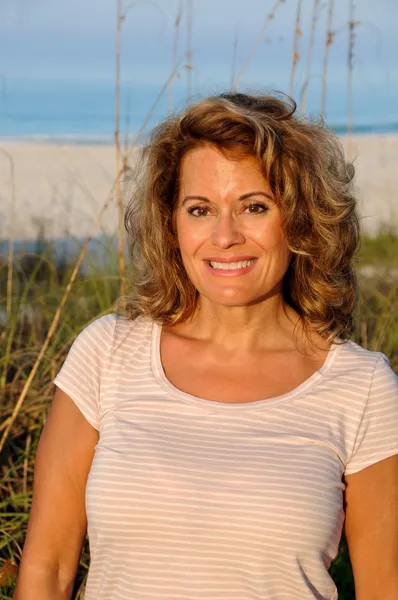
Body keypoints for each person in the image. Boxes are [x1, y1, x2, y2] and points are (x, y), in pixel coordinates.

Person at [14, 92, 398, 600]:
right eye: (200, 209)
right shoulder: (108, 352)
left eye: (254, 207)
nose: (224, 236)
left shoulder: (363, 386)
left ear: (301, 220)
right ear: (172, 225)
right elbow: (48, 569)